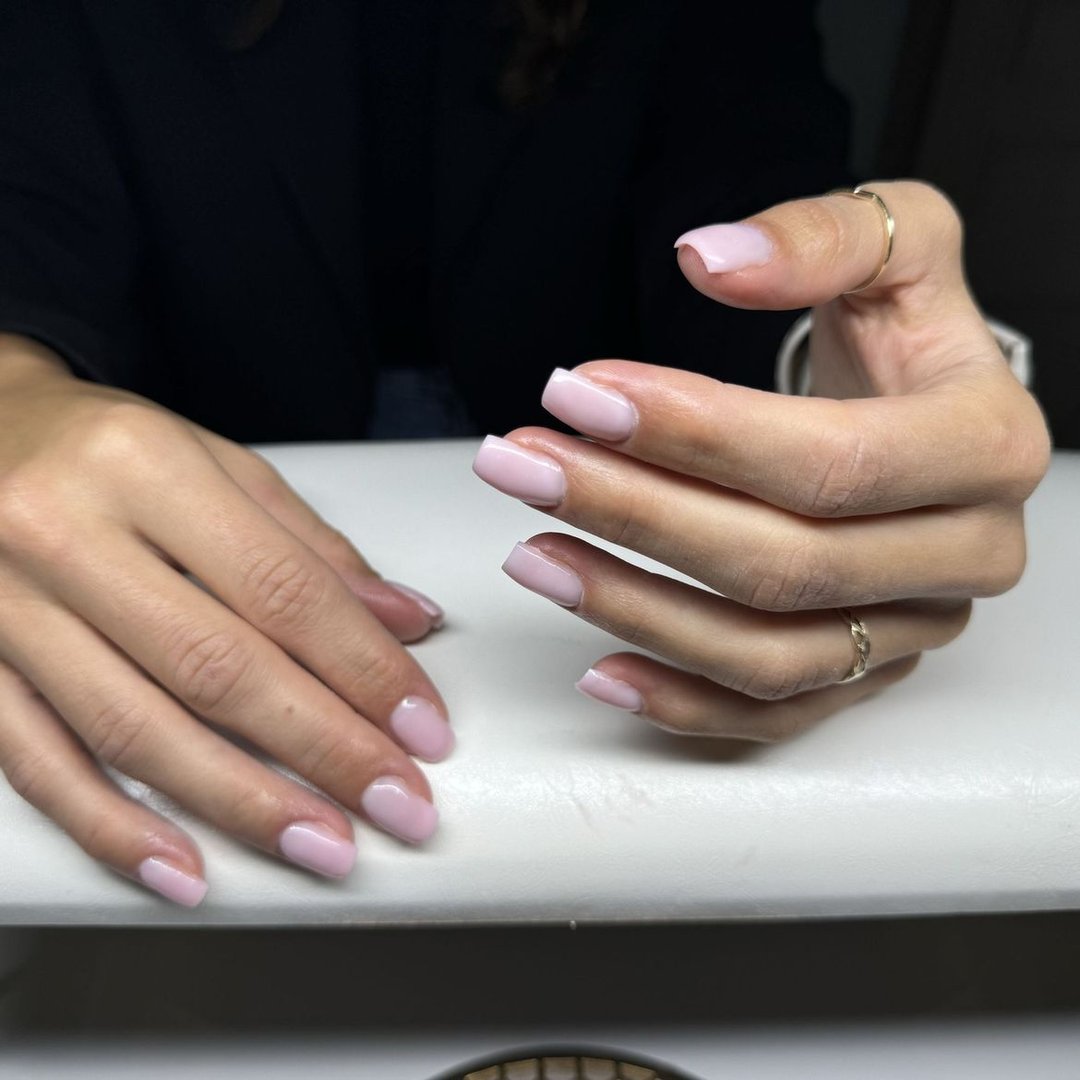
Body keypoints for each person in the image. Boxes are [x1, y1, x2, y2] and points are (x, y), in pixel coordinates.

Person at [0, 1, 1050, 906]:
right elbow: (27, 203)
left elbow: (744, 187)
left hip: (566, 531)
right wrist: (14, 398)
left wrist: (844, 395)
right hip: (196, 488)